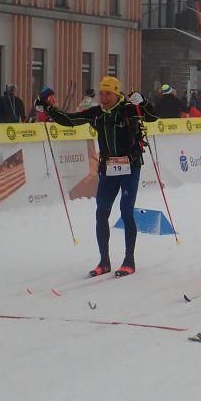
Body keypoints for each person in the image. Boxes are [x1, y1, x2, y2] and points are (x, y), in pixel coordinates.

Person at [45, 76, 146, 278]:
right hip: (108, 169)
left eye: (108, 93)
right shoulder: (97, 113)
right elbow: (70, 120)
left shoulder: (128, 110)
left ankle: (129, 260)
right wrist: (49, 109)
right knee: (101, 213)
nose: (103, 97)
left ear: (116, 94)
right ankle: (104, 261)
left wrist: (142, 101)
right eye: (101, 93)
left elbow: (151, 116)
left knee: (126, 212)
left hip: (129, 168)